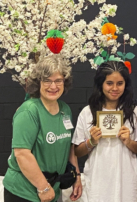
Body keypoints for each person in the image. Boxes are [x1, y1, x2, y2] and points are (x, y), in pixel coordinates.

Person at [3, 55, 82, 202]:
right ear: (38, 82)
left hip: (51, 190)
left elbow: (69, 146)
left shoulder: (65, 110)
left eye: (58, 80)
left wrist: (76, 176)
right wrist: (43, 187)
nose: (53, 86)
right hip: (24, 192)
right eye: (47, 80)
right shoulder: (29, 111)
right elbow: (22, 154)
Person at [72, 61, 137, 202]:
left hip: (126, 183)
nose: (115, 88)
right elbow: (77, 152)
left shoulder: (134, 112)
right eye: (109, 83)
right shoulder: (88, 112)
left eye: (120, 83)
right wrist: (91, 142)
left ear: (126, 84)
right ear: (101, 84)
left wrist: (128, 142)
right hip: (97, 183)